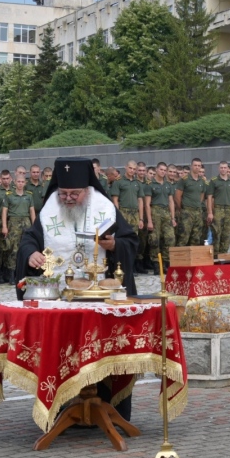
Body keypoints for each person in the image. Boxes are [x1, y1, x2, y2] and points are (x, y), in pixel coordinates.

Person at [15, 158, 139, 420]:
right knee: (65, 353)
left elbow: (130, 242)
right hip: (62, 300)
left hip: (100, 299)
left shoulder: (104, 208)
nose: (68, 199)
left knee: (101, 353)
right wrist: (31, 254)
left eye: (74, 194)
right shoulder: (50, 210)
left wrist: (114, 245)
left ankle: (104, 410)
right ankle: (66, 410)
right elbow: (29, 239)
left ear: (87, 190)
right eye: (64, 194)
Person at [143, 161, 176, 274]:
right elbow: (147, 204)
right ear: (156, 170)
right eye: (161, 169)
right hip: (155, 211)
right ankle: (157, 264)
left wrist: (173, 218)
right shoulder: (150, 185)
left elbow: (171, 201)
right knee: (155, 240)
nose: (163, 172)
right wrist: (150, 221)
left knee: (170, 238)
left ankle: (166, 262)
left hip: (166, 212)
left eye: (164, 170)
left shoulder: (168, 185)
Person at [2, 176, 35, 284]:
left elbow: (32, 211)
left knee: (26, 247)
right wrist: (4, 226)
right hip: (14, 222)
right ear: (15, 182)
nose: (20, 183)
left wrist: (34, 226)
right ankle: (12, 274)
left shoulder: (29, 196)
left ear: (25, 183)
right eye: (18, 181)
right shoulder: (9, 196)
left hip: (26, 222)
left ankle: (24, 273)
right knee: (13, 249)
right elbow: (4, 212)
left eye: (22, 181)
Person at [207, 161, 230, 257]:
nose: (223, 169)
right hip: (218, 209)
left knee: (227, 234)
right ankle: (215, 256)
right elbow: (209, 197)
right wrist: (210, 212)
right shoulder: (214, 181)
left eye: (225, 168)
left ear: (228, 169)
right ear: (218, 168)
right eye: (221, 168)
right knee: (217, 233)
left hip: (229, 209)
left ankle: (223, 256)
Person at [110, 161, 144, 245]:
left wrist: (141, 219)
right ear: (126, 167)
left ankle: (132, 257)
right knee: (122, 236)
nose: (132, 170)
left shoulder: (138, 183)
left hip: (135, 213)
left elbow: (140, 201)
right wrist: (118, 216)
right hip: (123, 212)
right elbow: (115, 200)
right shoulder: (118, 181)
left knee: (134, 236)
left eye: (134, 169)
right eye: (130, 168)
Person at [174, 158, 206, 247]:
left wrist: (197, 204)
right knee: (183, 237)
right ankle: (180, 259)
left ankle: (193, 260)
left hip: (198, 211)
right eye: (195, 165)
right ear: (191, 166)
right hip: (187, 211)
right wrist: (182, 208)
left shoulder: (202, 181)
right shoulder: (184, 179)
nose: (197, 167)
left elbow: (202, 195)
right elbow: (177, 196)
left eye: (199, 166)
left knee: (196, 238)